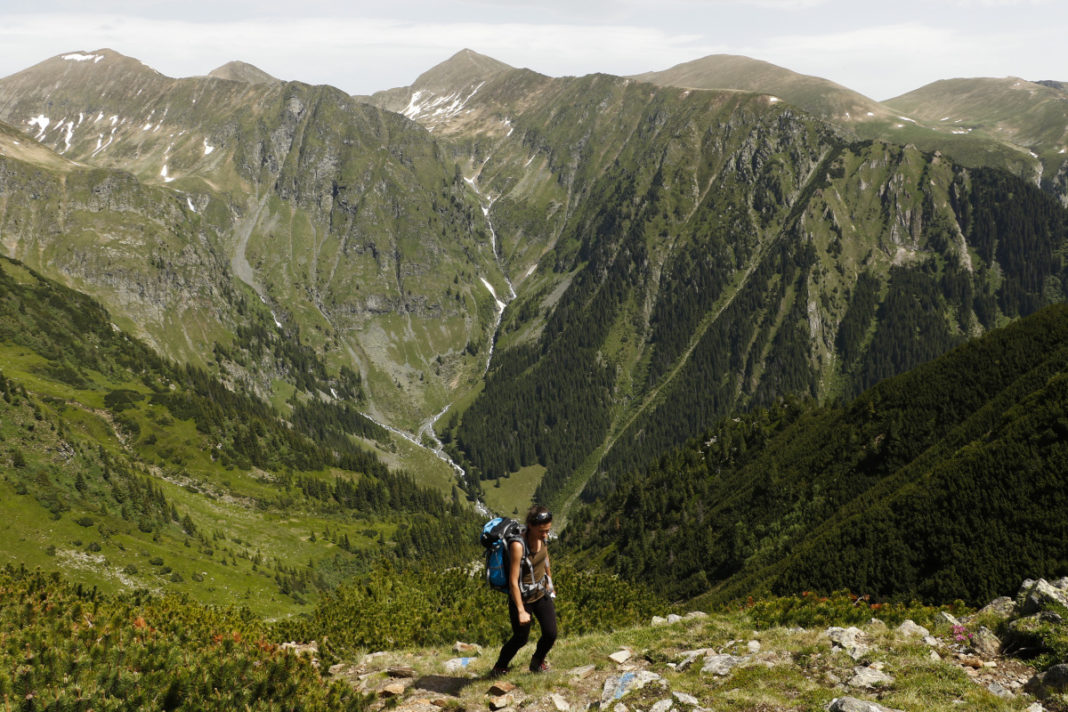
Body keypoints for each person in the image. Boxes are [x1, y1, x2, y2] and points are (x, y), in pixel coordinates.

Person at [490, 505, 556, 676]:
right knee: (520, 638)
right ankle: (500, 666)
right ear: (531, 526)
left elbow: (545, 557)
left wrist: (549, 581)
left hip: (541, 593)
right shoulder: (518, 546)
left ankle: (537, 662)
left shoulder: (543, 538)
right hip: (523, 598)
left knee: (551, 633)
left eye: (547, 530)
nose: (545, 534)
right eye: (542, 531)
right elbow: (513, 581)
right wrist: (520, 611)